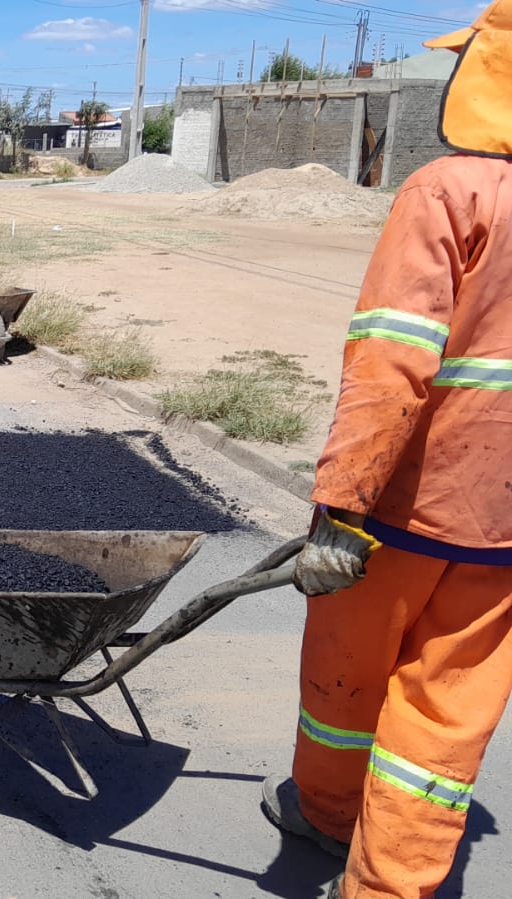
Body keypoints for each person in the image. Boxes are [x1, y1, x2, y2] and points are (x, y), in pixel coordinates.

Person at [262, 5, 512, 896]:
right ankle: (393, 883)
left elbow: (392, 361)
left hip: (405, 510)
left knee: (347, 679)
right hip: (504, 533)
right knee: (447, 712)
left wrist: (341, 505)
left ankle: (329, 817)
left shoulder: (449, 191)